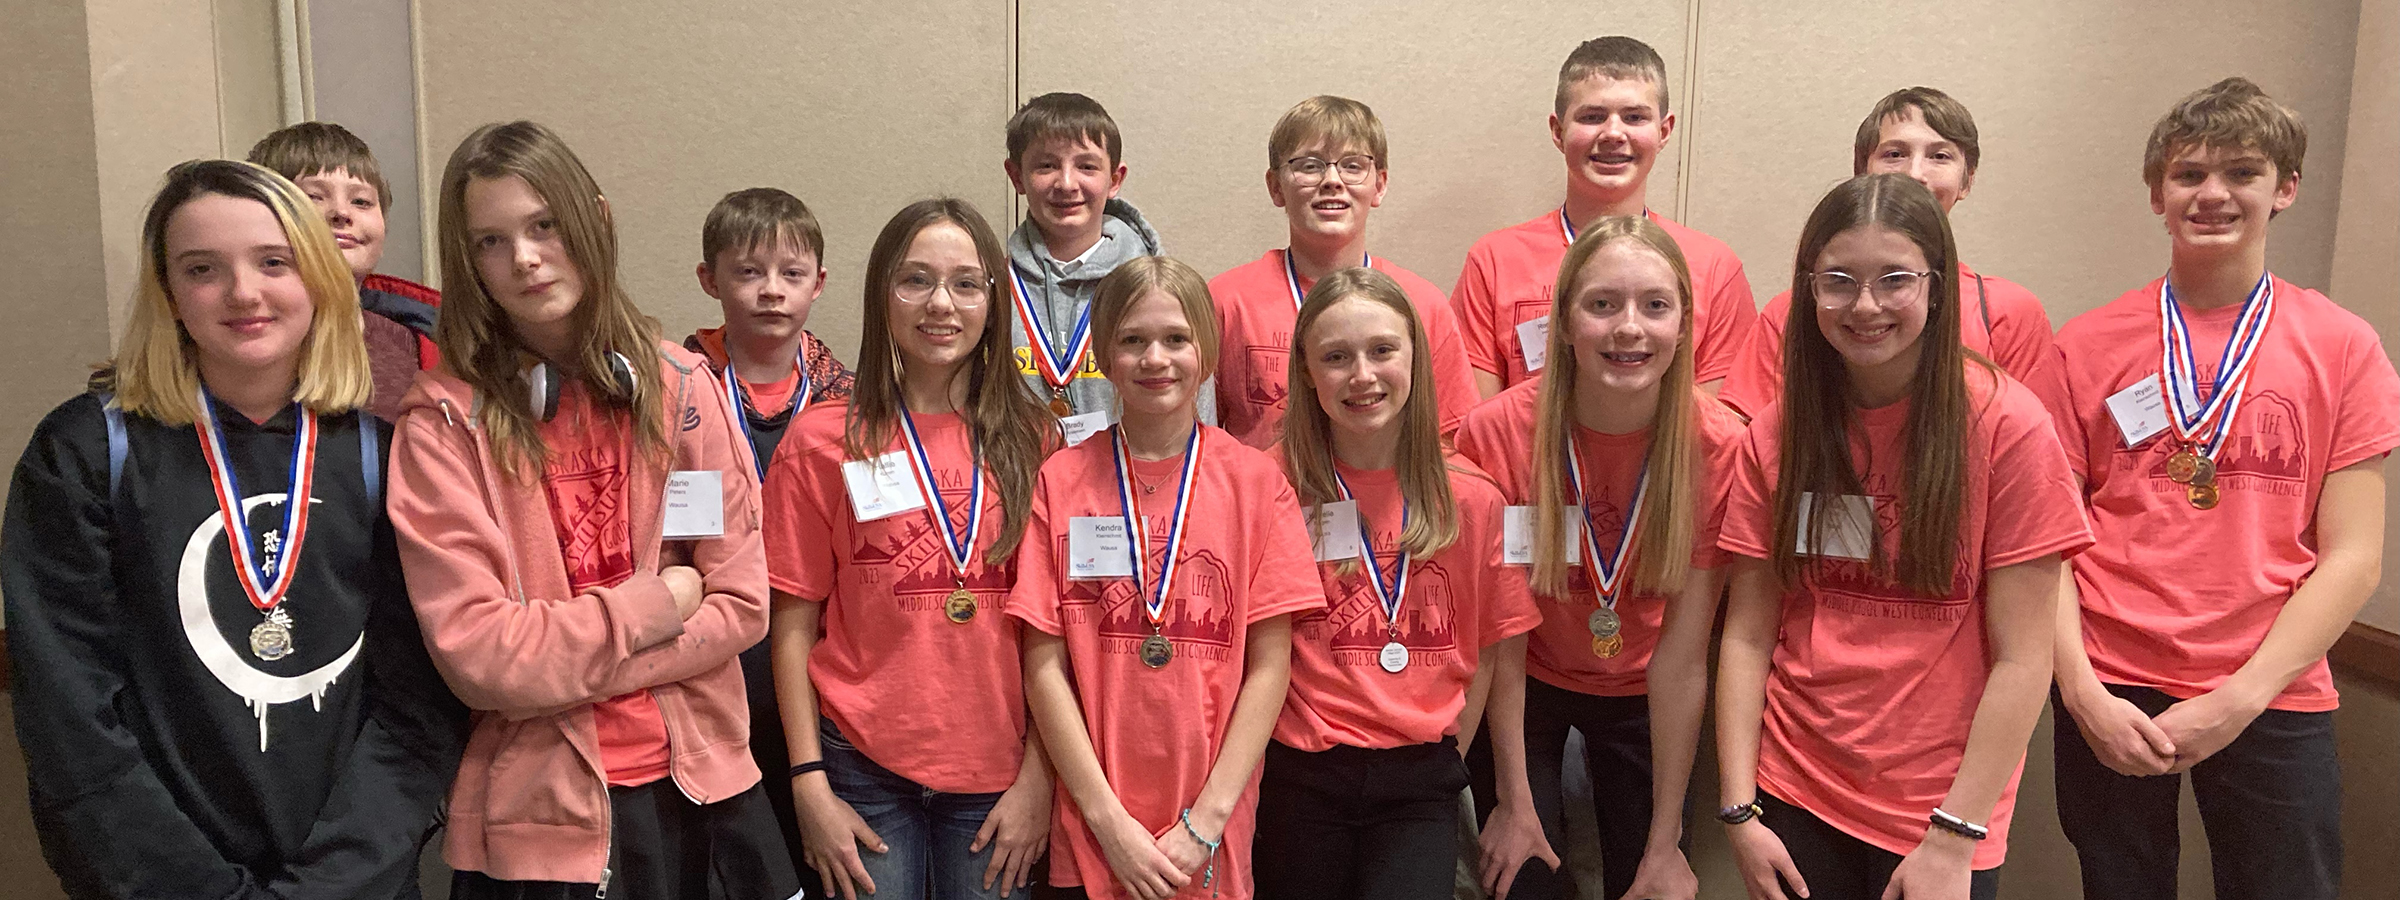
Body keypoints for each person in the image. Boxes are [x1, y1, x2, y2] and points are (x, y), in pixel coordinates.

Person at [3, 159, 464, 899]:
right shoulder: (88, 453)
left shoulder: (385, 456)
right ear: (170, 294)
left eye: (273, 263)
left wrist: (331, 884)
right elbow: (70, 721)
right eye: (202, 268)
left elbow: (416, 715)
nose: (244, 292)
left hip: (352, 881)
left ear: (316, 276)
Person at [387, 120, 796, 899]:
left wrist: (557, 659)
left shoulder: (681, 387)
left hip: (705, 790)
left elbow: (742, 604)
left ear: (594, 220)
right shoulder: (443, 422)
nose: (527, 259)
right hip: (542, 822)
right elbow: (483, 659)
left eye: (544, 225)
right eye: (491, 242)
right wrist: (659, 602)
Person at [2035, 77, 2399, 900]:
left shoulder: (2343, 347)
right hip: (2112, 681)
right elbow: (2049, 541)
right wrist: (2082, 693)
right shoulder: (2088, 344)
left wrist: (2240, 698)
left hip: (2275, 685)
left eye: (2241, 172)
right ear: (2156, 194)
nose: (2213, 193)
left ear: (2286, 189)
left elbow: (2355, 557)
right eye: (2188, 173)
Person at [1713, 174, 2091, 900]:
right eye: (1838, 281)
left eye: (1894, 279)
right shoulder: (1778, 434)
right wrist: (1739, 810)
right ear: (1808, 290)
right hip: (1795, 792)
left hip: (1941, 814)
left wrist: (1956, 835)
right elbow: (1748, 635)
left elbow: (2023, 657)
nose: (1864, 306)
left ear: (1937, 287)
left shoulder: (2008, 429)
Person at [763, 198, 1056, 900]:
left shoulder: (1036, 440)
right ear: (881, 296)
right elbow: (793, 624)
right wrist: (807, 783)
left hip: (1000, 775)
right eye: (915, 280)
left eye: (964, 282)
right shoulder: (821, 440)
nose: (940, 304)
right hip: (860, 769)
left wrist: (1042, 779)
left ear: (993, 300)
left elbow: (1058, 630)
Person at [1010, 257, 1325, 900]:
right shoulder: (1062, 480)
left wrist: (1205, 823)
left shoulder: (1257, 484)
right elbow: (1043, 662)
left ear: (1206, 351)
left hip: (1209, 832)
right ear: (1104, 353)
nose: (1156, 358)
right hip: (1093, 829)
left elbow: (1271, 665)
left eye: (1177, 339)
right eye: (1132, 340)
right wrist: (1105, 820)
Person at [1453, 215, 1748, 900]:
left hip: (1650, 689)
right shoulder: (1498, 434)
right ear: (1562, 322)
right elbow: (1502, 636)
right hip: (1526, 683)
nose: (1628, 328)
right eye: (1602, 304)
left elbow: (1683, 656)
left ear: (1685, 326)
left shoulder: (1720, 447)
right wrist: (1515, 802)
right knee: (1519, 878)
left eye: (1655, 305)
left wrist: (1667, 836)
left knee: (1652, 882)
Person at [1254, 267, 1541, 900]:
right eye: (1336, 356)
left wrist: (1449, 757)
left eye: (1383, 350)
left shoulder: (1471, 498)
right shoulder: (1269, 488)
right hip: (1299, 775)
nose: (1363, 375)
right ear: (1306, 371)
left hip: (1419, 782)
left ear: (1417, 355)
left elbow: (1492, 647)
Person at [682, 186, 856, 893]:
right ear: (710, 280)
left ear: (819, 283)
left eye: (791, 274)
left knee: (807, 839)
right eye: (749, 273)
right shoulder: (675, 389)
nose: (771, 292)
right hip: (709, 649)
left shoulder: (849, 399)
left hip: (815, 649)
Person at [1719, 87, 2056, 420]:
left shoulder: (2009, 314)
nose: (1914, 174)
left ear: (1967, 181)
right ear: (1862, 173)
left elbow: (2031, 444)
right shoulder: (1797, 310)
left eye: (1940, 156)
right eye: (1894, 154)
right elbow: (1747, 437)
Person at [1450, 36, 1755, 399]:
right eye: (1592, 117)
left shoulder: (1714, 267)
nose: (1613, 133)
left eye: (1634, 117)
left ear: (1664, 131)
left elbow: (1720, 435)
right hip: (1525, 457)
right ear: (1558, 131)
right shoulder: (1494, 261)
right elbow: (1472, 431)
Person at [1209, 96, 1478, 449]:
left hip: (1392, 503)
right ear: (1276, 187)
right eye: (1309, 166)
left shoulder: (1423, 305)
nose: (1332, 180)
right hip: (1267, 499)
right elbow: (1200, 441)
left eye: (1352, 166)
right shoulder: (1227, 301)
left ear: (1379, 185)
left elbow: (1449, 442)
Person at [1003, 92, 1205, 439]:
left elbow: (1200, 417)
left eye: (1087, 166)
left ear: (1114, 179)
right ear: (1017, 176)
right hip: (1019, 488)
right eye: (1046, 165)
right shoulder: (988, 288)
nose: (1067, 183)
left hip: (1134, 486)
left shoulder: (1168, 294)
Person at [248, 121, 442, 420]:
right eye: (313, 197)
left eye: (361, 201)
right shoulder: (246, 335)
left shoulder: (421, 339)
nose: (341, 213)